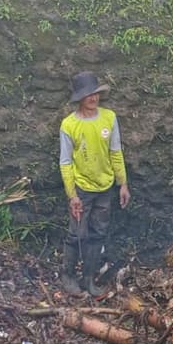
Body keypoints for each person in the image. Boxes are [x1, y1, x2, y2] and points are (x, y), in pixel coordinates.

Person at [59, 72, 131, 297]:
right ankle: (68, 276)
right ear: (79, 97)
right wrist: (72, 196)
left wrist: (123, 184)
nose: (93, 98)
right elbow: (66, 162)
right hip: (81, 189)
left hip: (104, 188)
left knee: (98, 233)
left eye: (95, 93)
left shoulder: (109, 118)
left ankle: (88, 278)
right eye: (87, 94)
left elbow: (116, 151)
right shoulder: (69, 125)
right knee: (77, 234)